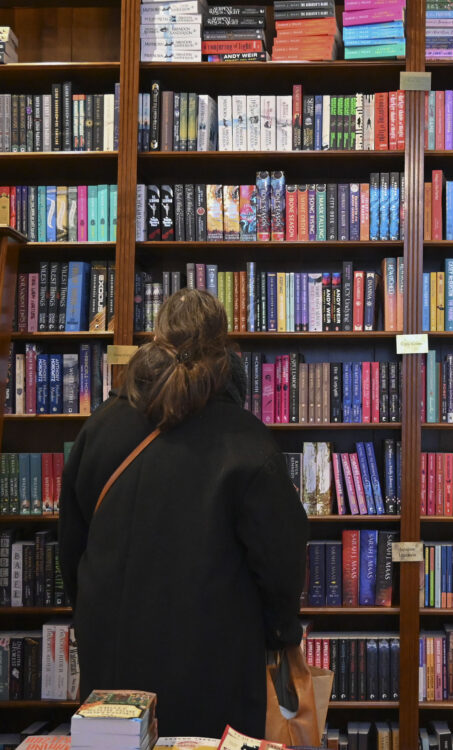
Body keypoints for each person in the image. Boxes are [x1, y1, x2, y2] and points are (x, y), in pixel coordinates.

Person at [58, 289, 309, 738]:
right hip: (215, 659)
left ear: (154, 340)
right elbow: (281, 559)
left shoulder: (99, 427)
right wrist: (280, 632)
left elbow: (72, 548)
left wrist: (96, 614)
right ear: (226, 352)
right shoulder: (248, 441)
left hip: (114, 657)